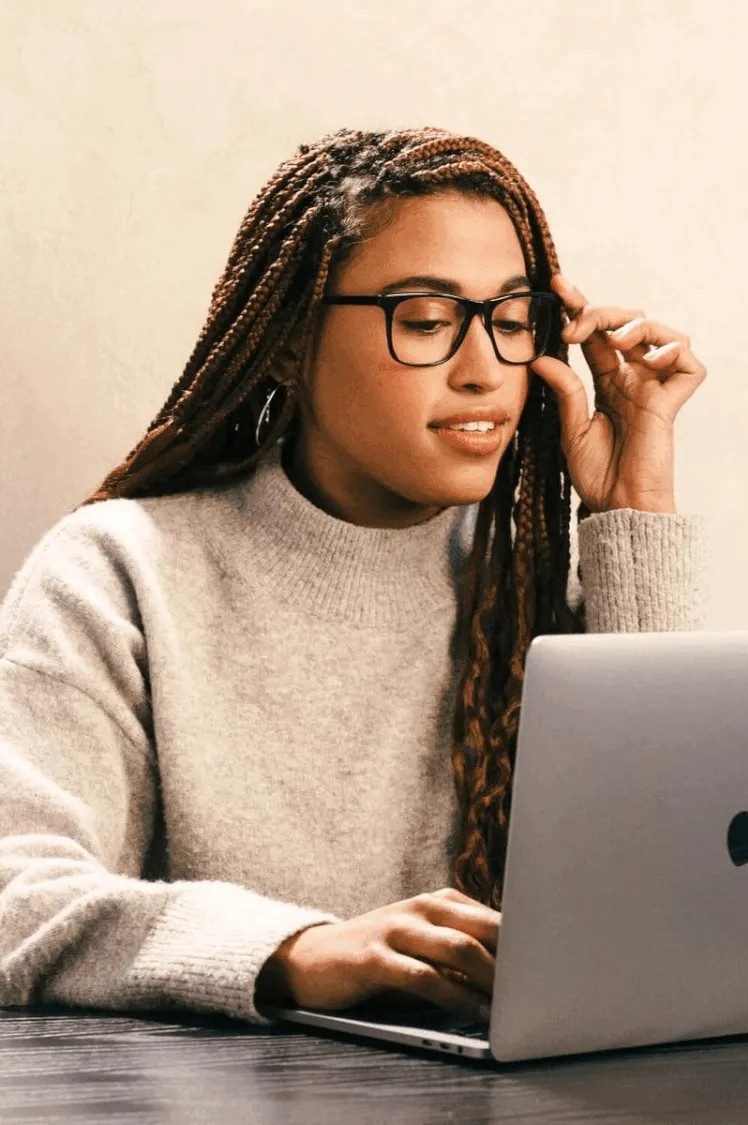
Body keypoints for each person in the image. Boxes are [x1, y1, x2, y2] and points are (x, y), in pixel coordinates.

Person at [0, 127, 709, 1029]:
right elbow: (15, 894)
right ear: (289, 344)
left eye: (513, 317)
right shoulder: (121, 569)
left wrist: (633, 510)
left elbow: (674, 878)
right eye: (425, 320)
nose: (485, 368)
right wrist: (292, 950)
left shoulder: (524, 582)